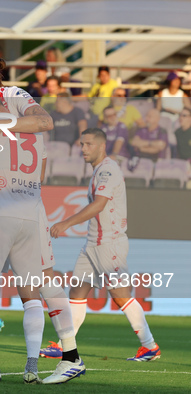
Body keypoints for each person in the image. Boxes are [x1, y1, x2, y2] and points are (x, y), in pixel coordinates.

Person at [0, 83, 84, 385]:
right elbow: (41, 172)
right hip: (31, 212)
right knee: (32, 290)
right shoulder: (32, 129)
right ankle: (32, 366)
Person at [43, 128, 160, 363]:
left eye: (88, 144)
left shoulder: (107, 170)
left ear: (101, 146)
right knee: (77, 291)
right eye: (81, 144)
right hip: (92, 243)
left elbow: (98, 205)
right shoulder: (98, 170)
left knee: (119, 295)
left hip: (109, 243)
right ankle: (66, 345)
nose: (83, 149)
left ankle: (150, 347)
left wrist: (65, 223)